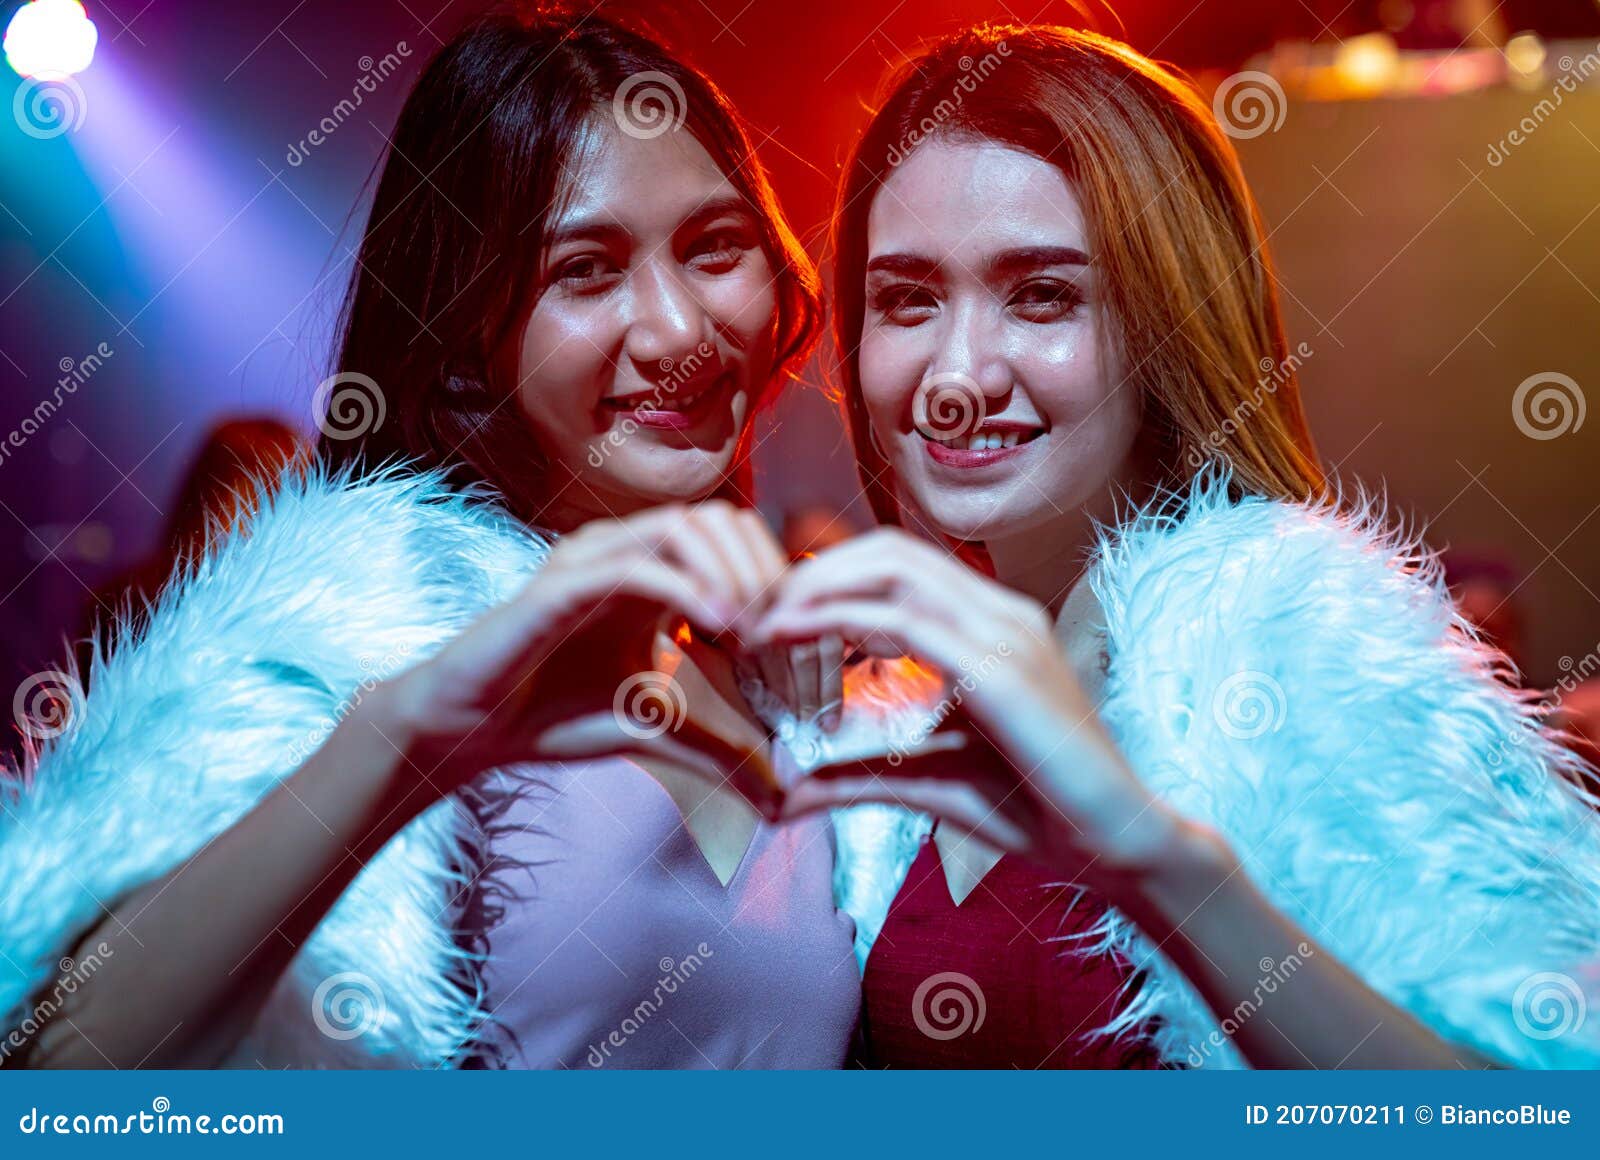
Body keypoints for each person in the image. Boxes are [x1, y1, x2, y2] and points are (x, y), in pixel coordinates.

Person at [0, 8, 857, 1070]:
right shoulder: (355, 642)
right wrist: (402, 733)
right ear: (465, 339)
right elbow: (55, 1063)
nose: (681, 330)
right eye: (584, 270)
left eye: (715, 248)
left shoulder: (775, 679)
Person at [750, 24, 1600, 1069]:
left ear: (1165, 323)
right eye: (907, 299)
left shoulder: (1298, 637)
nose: (956, 372)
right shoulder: (911, 718)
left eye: (1043, 294)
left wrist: (1153, 855)